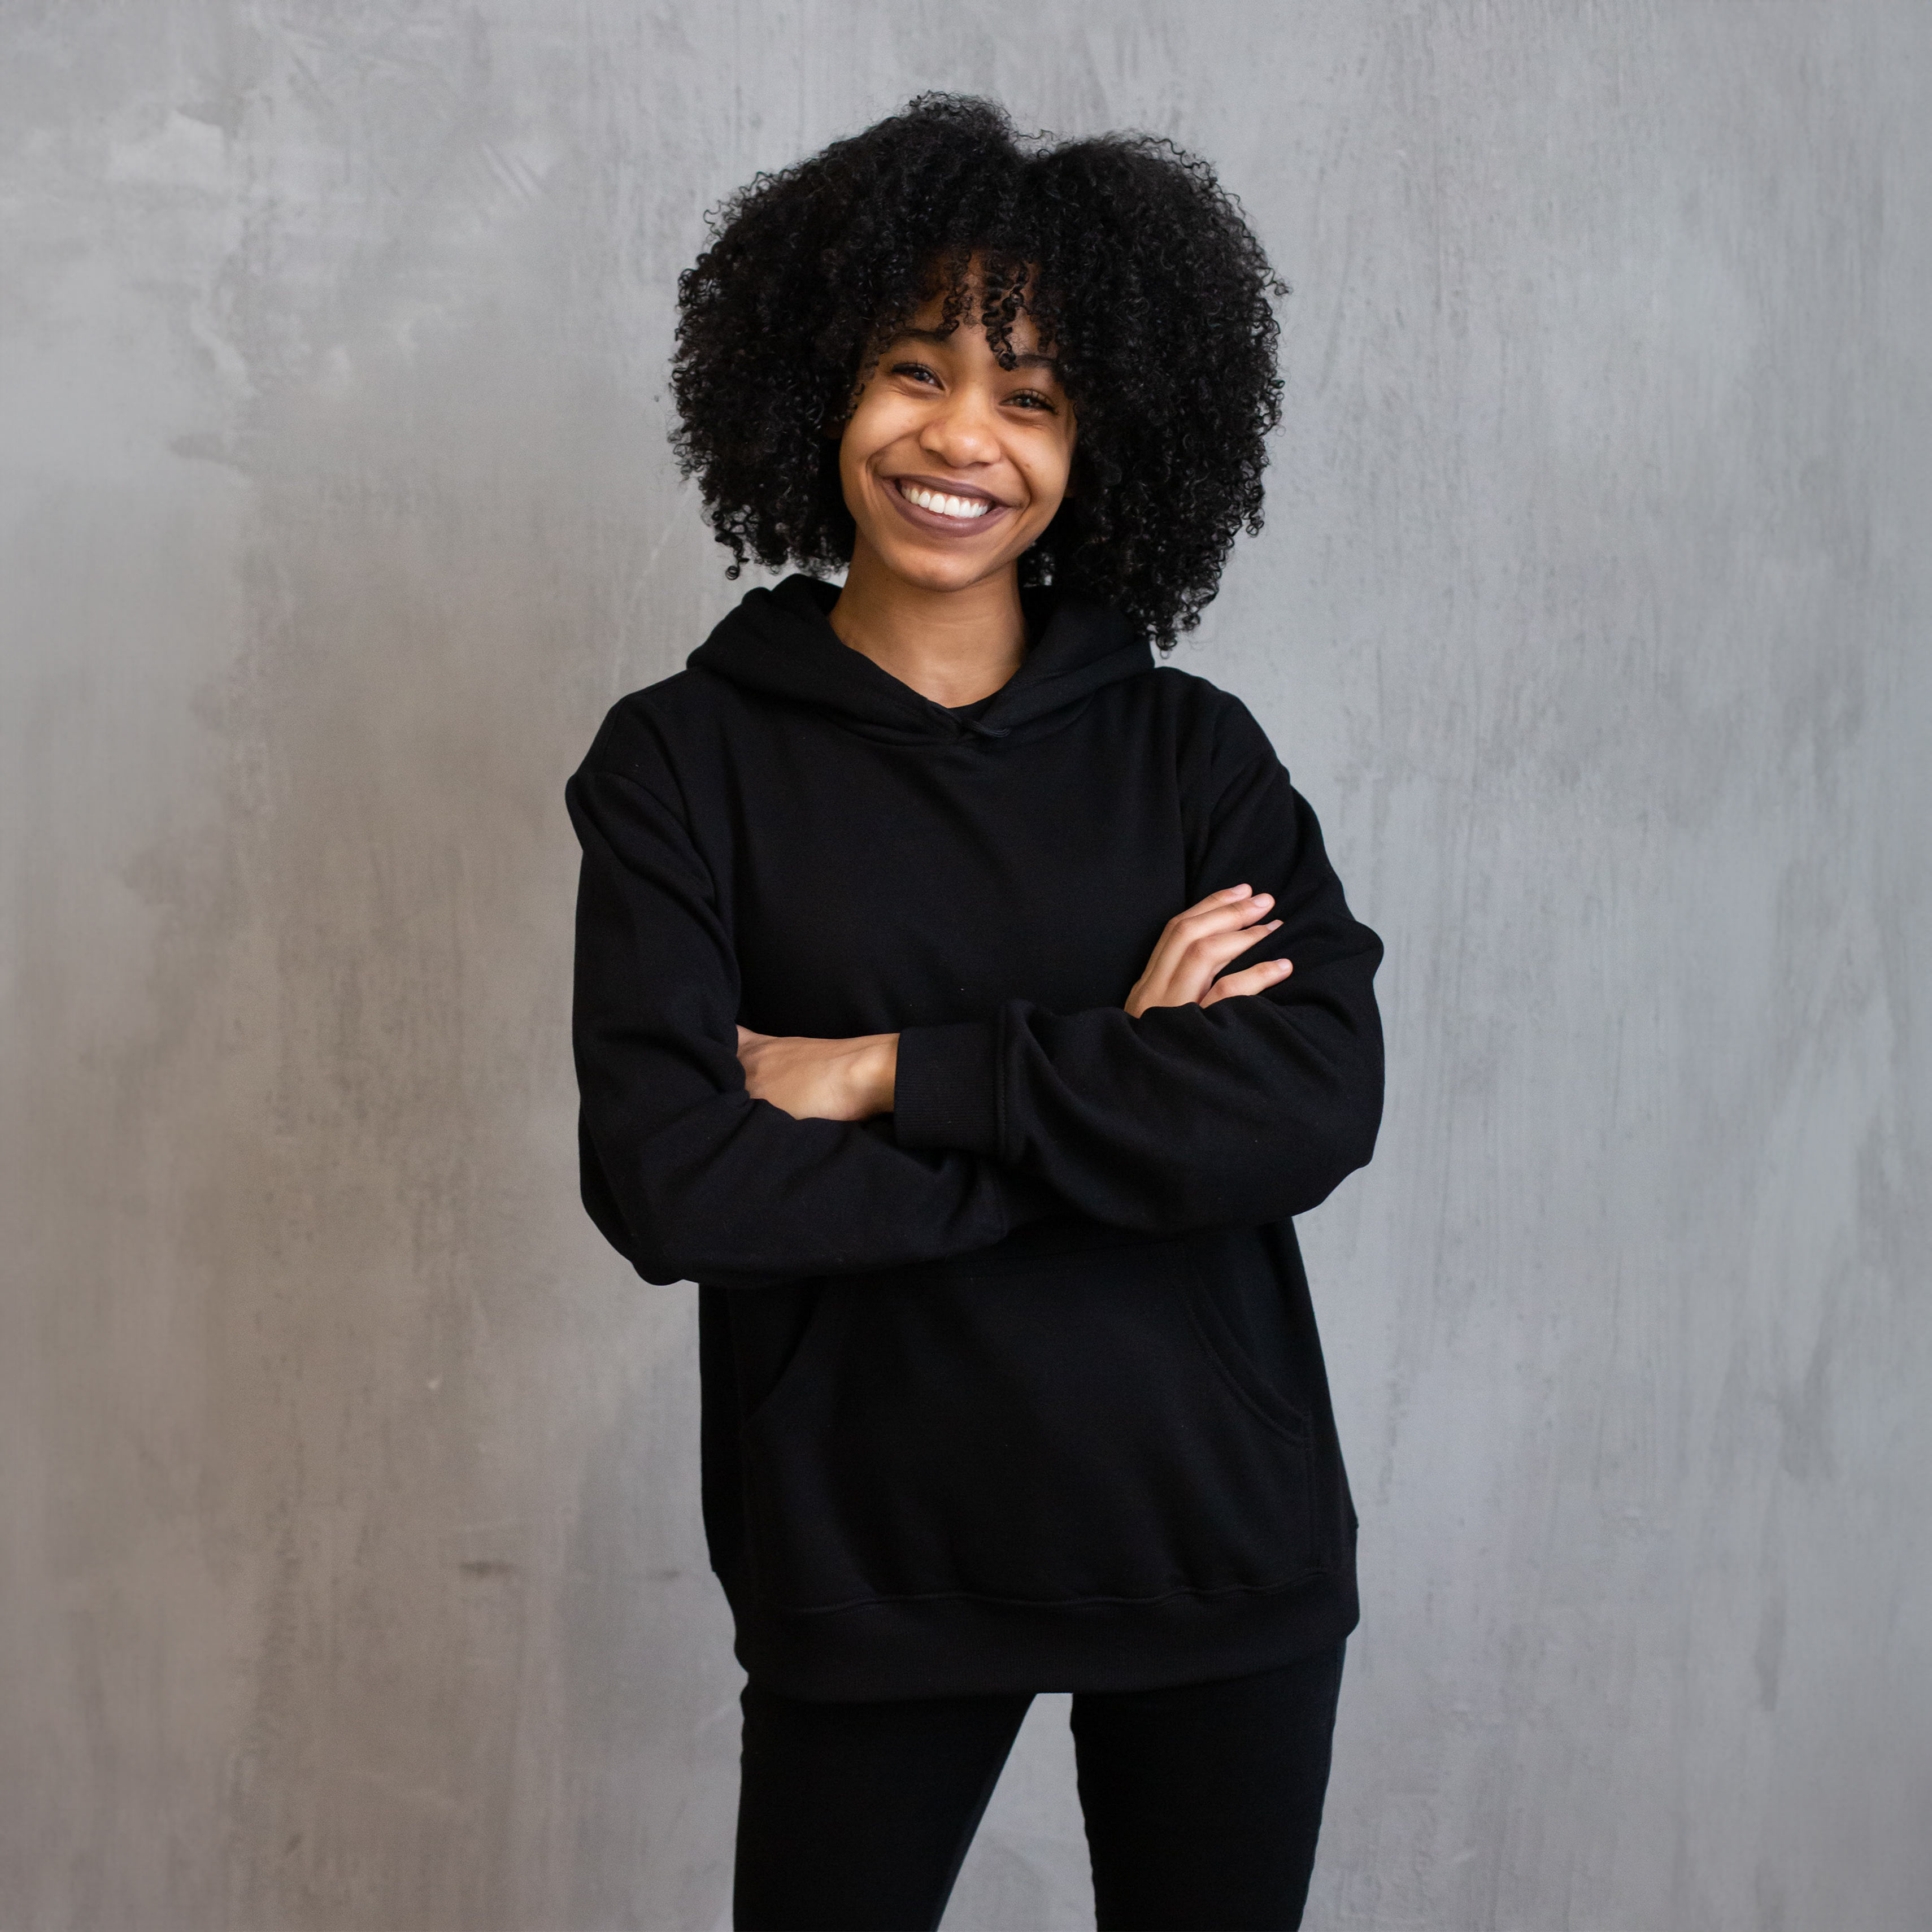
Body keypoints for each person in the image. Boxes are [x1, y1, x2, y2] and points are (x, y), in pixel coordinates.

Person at [567, 94, 1383, 1932]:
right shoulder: (680, 763)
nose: (960, 438)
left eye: (1031, 397)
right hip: (868, 1552)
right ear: (819, 390)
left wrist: (883, 1074)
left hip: (1214, 1542)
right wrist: (1120, 1090)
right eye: (913, 370)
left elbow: (1309, 1103)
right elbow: (672, 1181)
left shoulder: (1192, 755)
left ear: (1101, 443)